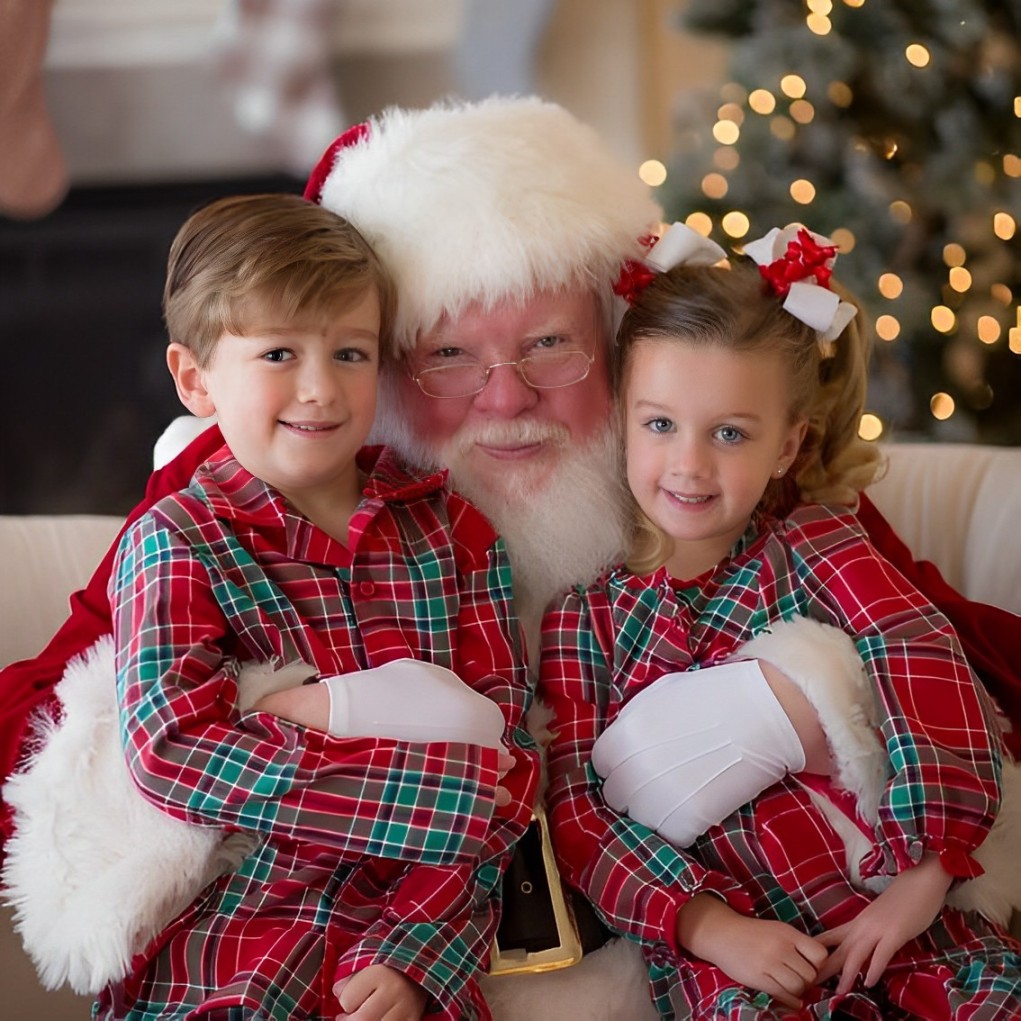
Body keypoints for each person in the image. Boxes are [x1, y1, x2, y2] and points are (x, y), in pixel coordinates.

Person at [2, 95, 1020, 1017]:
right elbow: (76, 720)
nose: (504, 399)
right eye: (447, 355)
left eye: (548, 347)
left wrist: (799, 700)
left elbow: (944, 650)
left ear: (617, 350)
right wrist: (324, 725)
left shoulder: (729, 480)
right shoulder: (219, 515)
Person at [540, 223, 1021, 1019]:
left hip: (899, 920)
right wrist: (710, 926)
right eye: (660, 424)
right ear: (619, 419)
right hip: (736, 962)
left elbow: (922, 655)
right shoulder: (583, 612)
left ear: (787, 445)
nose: (689, 464)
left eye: (729, 433)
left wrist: (927, 873)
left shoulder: (818, 545)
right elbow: (577, 809)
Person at [94, 192, 538, 1020]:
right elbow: (174, 748)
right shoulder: (175, 539)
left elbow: (508, 770)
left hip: (411, 923)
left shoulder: (452, 529)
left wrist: (414, 949)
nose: (319, 387)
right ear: (196, 380)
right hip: (241, 932)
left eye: (348, 352)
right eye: (276, 354)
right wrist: (437, 790)